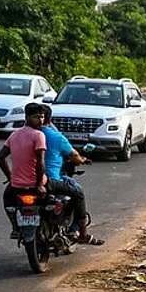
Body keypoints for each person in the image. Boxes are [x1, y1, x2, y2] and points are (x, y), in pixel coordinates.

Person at [40, 105, 103, 245]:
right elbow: (74, 155)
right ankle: (83, 234)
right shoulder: (54, 136)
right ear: (49, 119)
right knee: (77, 192)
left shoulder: (20, 135)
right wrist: (82, 160)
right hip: (50, 180)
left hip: (22, 181)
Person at [0, 102, 47, 239]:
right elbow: (40, 162)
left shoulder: (14, 135)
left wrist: (10, 177)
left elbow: (0, 156)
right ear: (27, 117)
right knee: (61, 196)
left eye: (42, 117)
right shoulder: (39, 135)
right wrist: (39, 185)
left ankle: (15, 226)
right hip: (36, 184)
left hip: (17, 186)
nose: (40, 120)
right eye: (36, 117)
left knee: (7, 199)